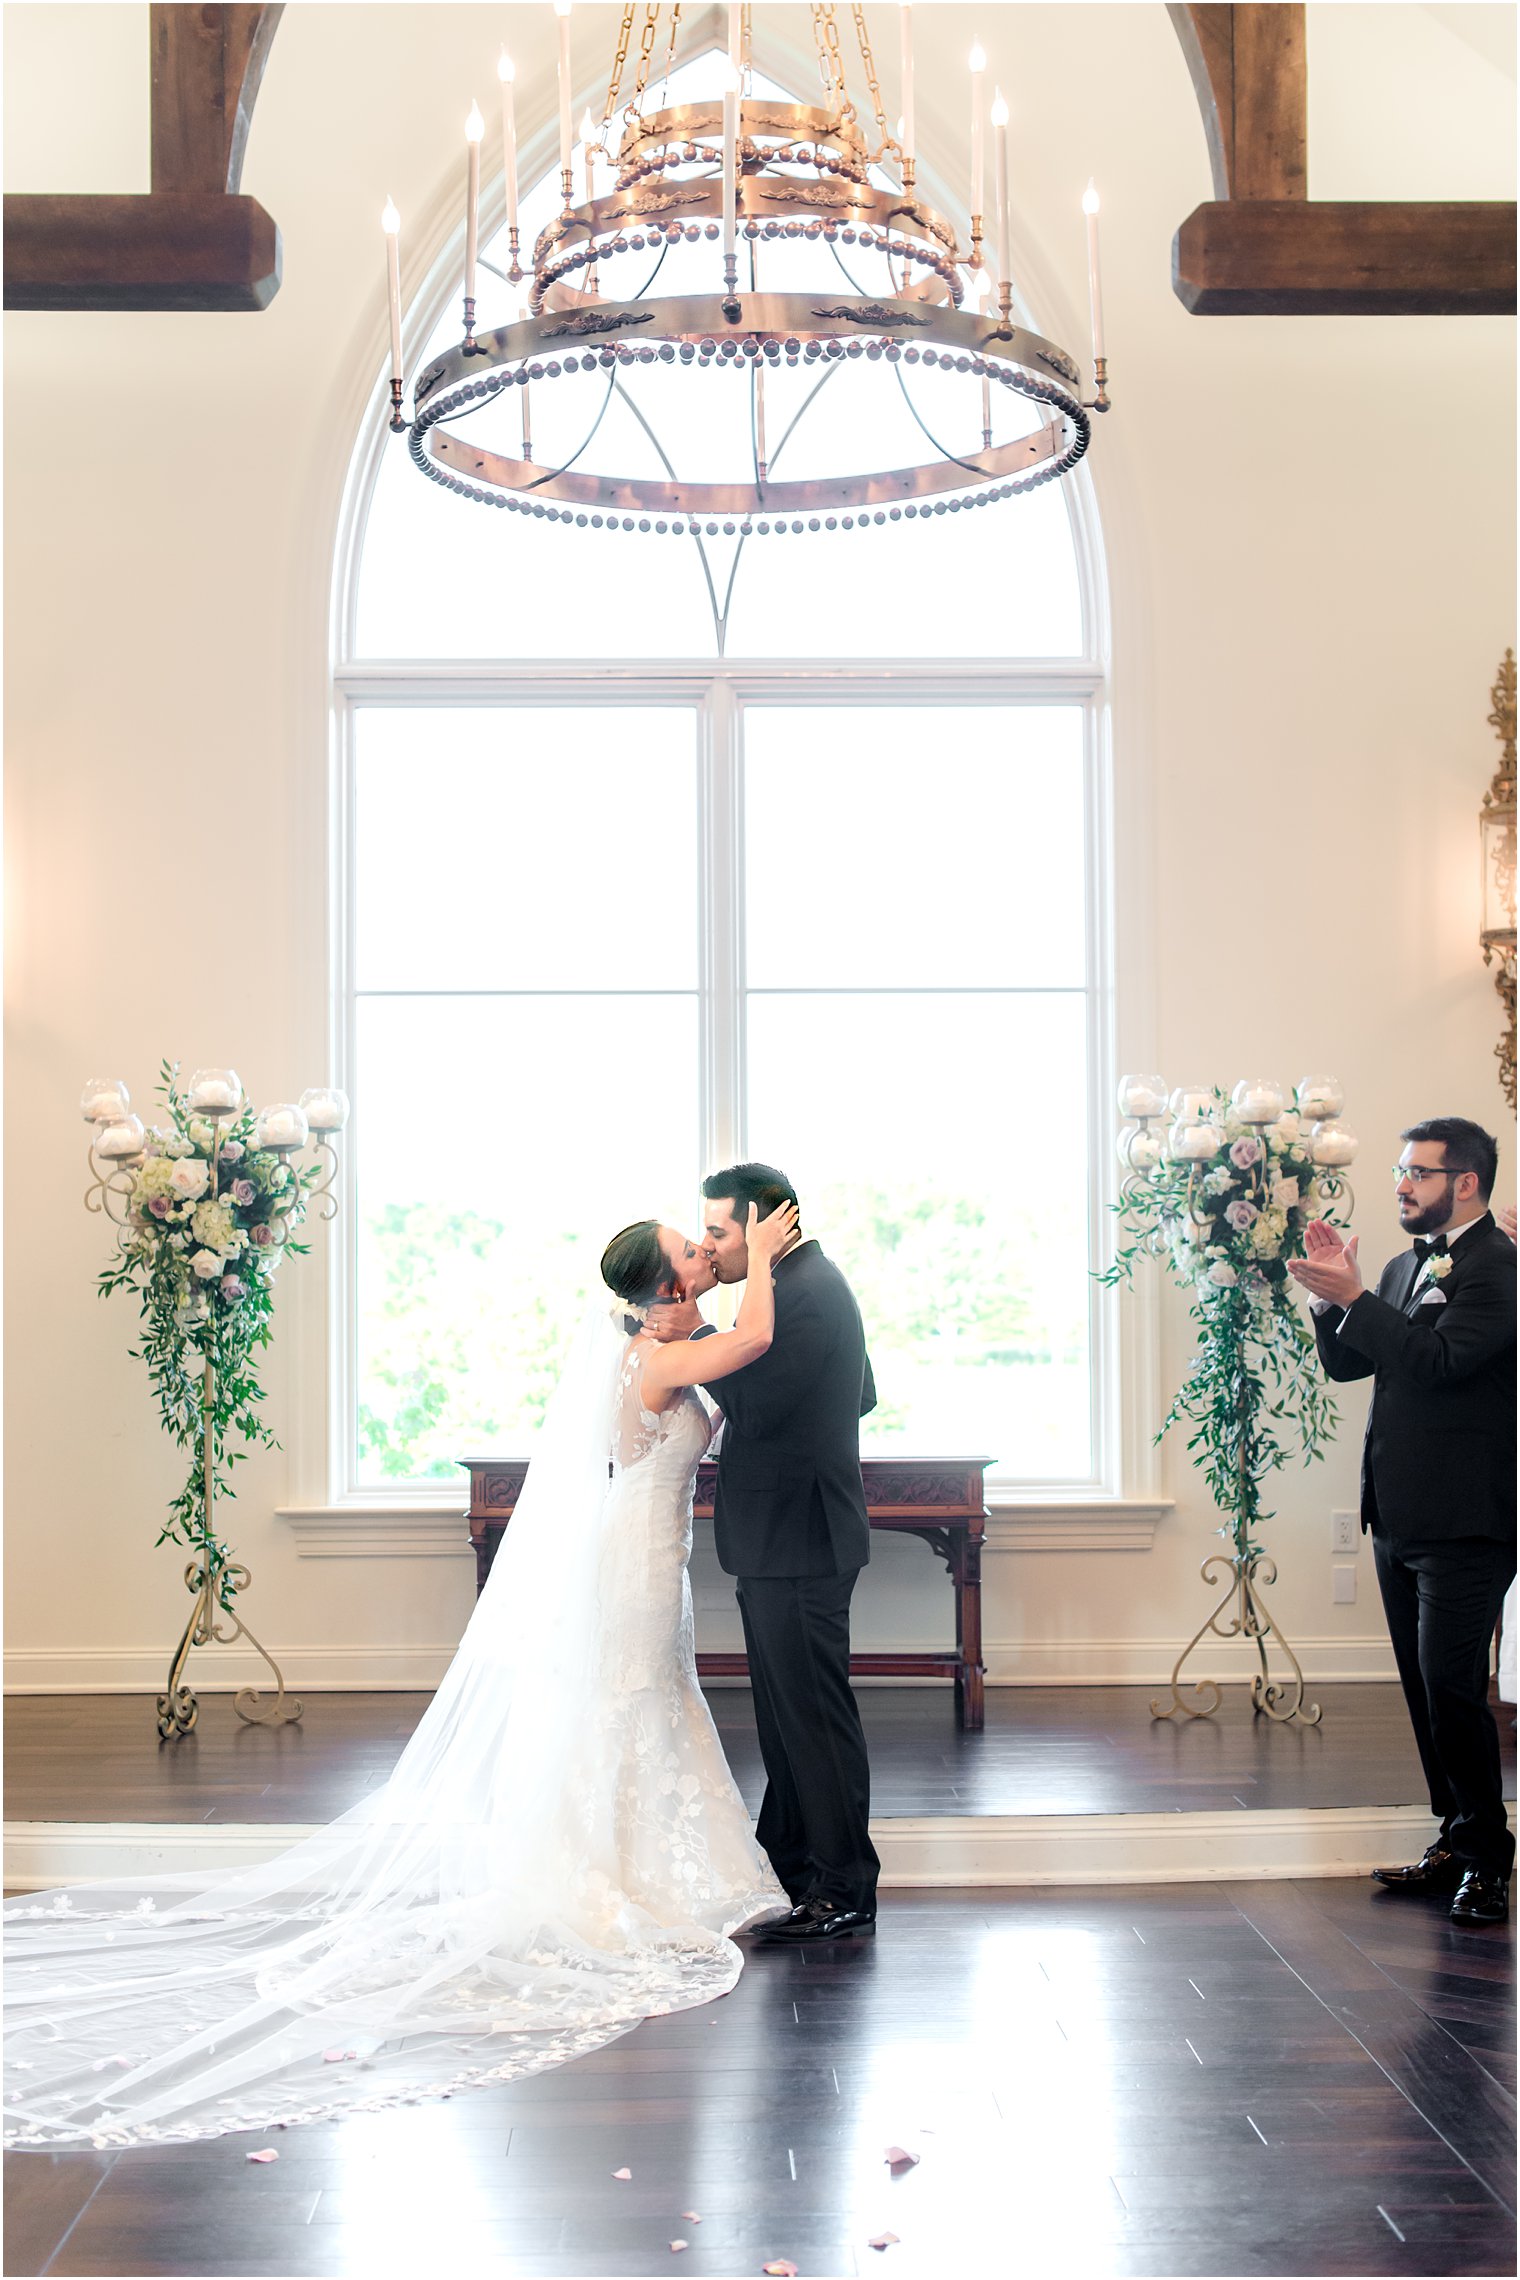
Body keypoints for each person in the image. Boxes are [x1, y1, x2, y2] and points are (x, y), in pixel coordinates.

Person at [3, 1206, 799, 2150]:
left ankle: (642, 1865)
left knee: (645, 1701)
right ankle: (617, 1878)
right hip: (634, 1559)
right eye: (689, 1250)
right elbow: (753, 1338)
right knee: (637, 1700)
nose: (704, 1253)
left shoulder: (648, 1340)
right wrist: (772, 1261)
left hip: (646, 1547)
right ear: (664, 1289)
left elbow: (718, 1337)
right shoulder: (662, 1359)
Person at [1289, 1117, 1517, 1926]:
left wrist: (1356, 1299)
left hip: (1469, 1519)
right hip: (1398, 1513)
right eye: (1399, 1170)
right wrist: (1330, 1298)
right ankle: (1455, 1839)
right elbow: (1353, 1364)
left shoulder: (1498, 1269)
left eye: (1418, 1173)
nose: (1401, 1184)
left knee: (1456, 1688)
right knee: (1426, 1691)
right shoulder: (1397, 1265)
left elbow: (1444, 1363)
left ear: (1465, 1182)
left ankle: (1490, 1861)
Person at [649, 1163, 880, 1942]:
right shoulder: (802, 1285)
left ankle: (845, 1885)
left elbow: (748, 1395)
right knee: (786, 1721)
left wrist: (701, 1328)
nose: (710, 1247)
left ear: (767, 1224)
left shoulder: (802, 1293)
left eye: (718, 1231)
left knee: (812, 1720)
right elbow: (861, 1394)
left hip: (800, 1537)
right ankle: (790, 1865)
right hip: (786, 1533)